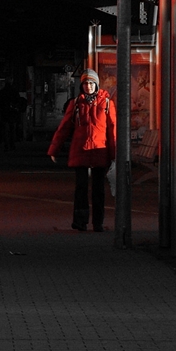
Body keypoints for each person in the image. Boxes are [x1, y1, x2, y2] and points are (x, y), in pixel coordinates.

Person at [48, 70, 116, 232]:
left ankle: (98, 223)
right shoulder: (76, 104)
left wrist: (114, 155)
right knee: (81, 189)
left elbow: (113, 131)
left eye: (92, 83)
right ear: (82, 85)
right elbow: (64, 128)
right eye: (86, 83)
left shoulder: (107, 104)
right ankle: (80, 222)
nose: (89, 86)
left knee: (98, 191)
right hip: (81, 152)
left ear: (97, 84)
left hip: (100, 152)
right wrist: (54, 149)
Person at [0, 80, 24, 151]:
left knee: (5, 129)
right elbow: (18, 101)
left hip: (4, 112)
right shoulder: (14, 92)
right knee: (12, 129)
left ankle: (6, 144)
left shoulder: (2, 92)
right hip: (12, 113)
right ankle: (12, 144)